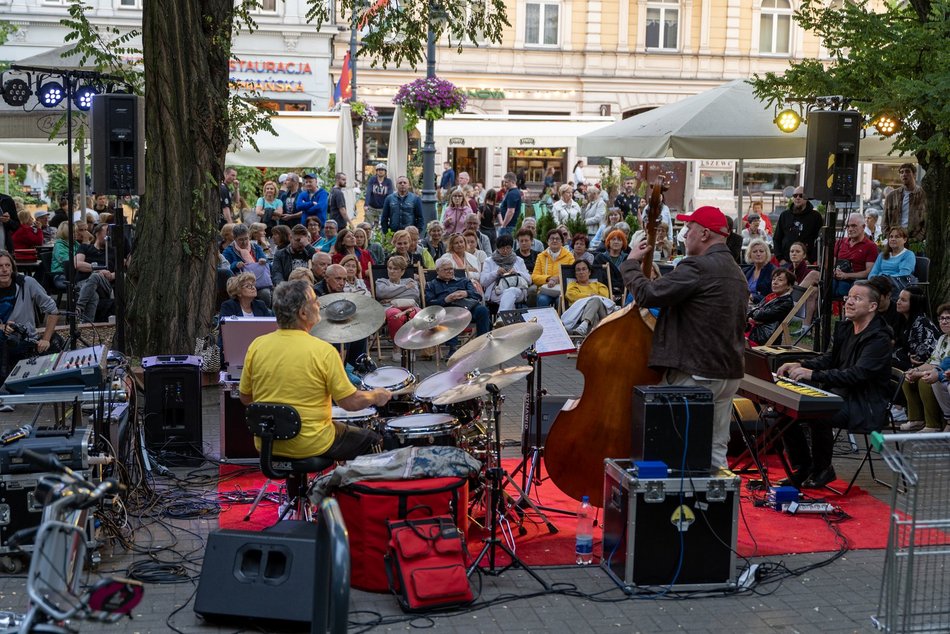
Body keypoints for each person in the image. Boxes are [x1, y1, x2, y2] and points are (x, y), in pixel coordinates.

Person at [622, 206, 748, 471]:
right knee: (715, 447)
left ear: (704, 234)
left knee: (676, 448)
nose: (685, 234)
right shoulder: (734, 269)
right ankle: (719, 508)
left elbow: (648, 294)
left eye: (689, 229)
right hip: (728, 374)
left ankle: (680, 509)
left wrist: (631, 264)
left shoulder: (698, 266)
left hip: (697, 372)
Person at [239, 280, 391, 461]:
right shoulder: (323, 351)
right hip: (312, 443)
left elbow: (246, 398)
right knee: (372, 439)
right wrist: (376, 395)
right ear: (303, 313)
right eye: (315, 301)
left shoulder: (257, 345)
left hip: (268, 441)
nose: (319, 305)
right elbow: (349, 403)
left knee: (337, 426)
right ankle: (345, 488)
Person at [777, 281, 893, 488]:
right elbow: (830, 359)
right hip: (838, 394)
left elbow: (857, 375)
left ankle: (823, 469)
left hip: (863, 402)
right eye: (849, 296)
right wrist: (801, 364)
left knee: (818, 412)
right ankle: (803, 466)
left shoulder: (879, 338)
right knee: (784, 409)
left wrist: (812, 374)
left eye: (857, 298)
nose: (849, 302)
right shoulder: (847, 327)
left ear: (872, 306)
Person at [0, 251, 59, 391]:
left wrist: (46, 339)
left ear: (12, 268)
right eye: (0, 266)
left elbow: (53, 310)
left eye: (7, 265)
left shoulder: (27, 283)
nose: (4, 270)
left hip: (24, 340)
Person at [900, 302, 950, 432]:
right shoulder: (943, 339)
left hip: (944, 375)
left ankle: (933, 425)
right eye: (941, 318)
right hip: (941, 373)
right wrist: (915, 370)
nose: (944, 322)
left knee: (926, 381)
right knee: (907, 375)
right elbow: (933, 362)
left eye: (948, 318)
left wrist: (923, 374)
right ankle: (916, 419)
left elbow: (942, 366)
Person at [425, 256, 490, 342]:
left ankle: (482, 343)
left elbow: (477, 295)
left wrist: (466, 293)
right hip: (447, 311)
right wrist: (446, 300)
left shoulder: (464, 281)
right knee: (450, 316)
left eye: (451, 268)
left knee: (482, 310)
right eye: (446, 269)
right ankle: (452, 349)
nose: (450, 271)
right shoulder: (431, 285)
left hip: (468, 309)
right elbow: (429, 304)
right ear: (437, 271)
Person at [374, 255, 420, 361]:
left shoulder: (409, 280)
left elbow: (414, 295)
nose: (392, 271)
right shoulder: (381, 281)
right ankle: (397, 347)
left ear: (402, 271)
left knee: (417, 315)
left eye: (395, 269)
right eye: (389, 268)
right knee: (395, 316)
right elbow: (381, 293)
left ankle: (410, 346)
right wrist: (405, 288)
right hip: (390, 308)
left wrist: (390, 298)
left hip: (410, 306)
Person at [831, 213, 879, 297]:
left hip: (854, 282)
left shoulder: (871, 246)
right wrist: (835, 271)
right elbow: (831, 263)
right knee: (818, 285)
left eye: (853, 226)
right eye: (847, 226)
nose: (850, 229)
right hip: (835, 277)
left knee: (842, 288)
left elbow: (868, 272)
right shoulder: (840, 242)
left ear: (863, 227)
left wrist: (846, 276)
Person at [892, 285, 939, 372]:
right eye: (899, 298)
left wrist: (906, 354)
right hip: (906, 360)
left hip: (926, 366)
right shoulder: (902, 320)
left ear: (914, 303)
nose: (898, 302)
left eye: (903, 300)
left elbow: (919, 358)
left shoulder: (921, 323)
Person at [562, 259, 614, 337]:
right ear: (575, 274)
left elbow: (604, 297)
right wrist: (590, 296)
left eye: (584, 269)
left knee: (596, 300)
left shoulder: (598, 285)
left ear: (589, 272)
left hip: (602, 313)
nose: (581, 272)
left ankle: (584, 325)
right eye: (578, 270)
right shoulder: (573, 285)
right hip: (580, 313)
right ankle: (594, 337)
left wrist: (588, 297)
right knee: (594, 313)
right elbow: (571, 295)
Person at [480, 234, 530, 312]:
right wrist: (496, 273)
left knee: (511, 291)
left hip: (517, 290)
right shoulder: (489, 261)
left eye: (508, 248)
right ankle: (505, 320)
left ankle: (501, 318)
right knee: (509, 300)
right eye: (502, 248)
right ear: (497, 248)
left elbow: (529, 280)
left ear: (512, 247)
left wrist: (517, 272)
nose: (505, 251)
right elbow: (483, 282)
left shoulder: (519, 260)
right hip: (496, 292)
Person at [772, 186, 823, 263]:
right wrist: (780, 259)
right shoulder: (785, 215)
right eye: (795, 195)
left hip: (806, 262)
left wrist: (811, 260)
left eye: (801, 195)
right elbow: (777, 238)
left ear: (807, 197)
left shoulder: (815, 216)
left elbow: (820, 241)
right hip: (786, 261)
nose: (798, 198)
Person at [746, 269, 796, 345]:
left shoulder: (786, 302)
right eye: (773, 279)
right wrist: (753, 316)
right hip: (754, 330)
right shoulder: (771, 296)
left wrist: (754, 316)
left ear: (789, 285)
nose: (775, 282)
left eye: (780, 280)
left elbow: (760, 315)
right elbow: (754, 311)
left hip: (762, 336)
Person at [883, 163, 926, 242]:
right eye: (901, 172)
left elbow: (927, 222)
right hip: (895, 240)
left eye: (907, 171)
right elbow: (884, 221)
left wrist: (918, 239)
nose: (904, 174)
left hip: (915, 241)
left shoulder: (923, 195)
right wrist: (889, 237)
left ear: (914, 175)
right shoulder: (891, 196)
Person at [531, 229, 574, 308]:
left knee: (560, 301)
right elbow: (534, 277)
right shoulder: (541, 256)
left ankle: (561, 320)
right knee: (542, 300)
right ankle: (543, 320)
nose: (554, 241)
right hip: (546, 290)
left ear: (562, 242)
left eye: (557, 239)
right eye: (552, 238)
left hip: (562, 290)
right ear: (547, 241)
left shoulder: (569, 256)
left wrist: (556, 279)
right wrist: (548, 279)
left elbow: (571, 275)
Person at [595, 229, 629, 302]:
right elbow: (596, 277)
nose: (616, 242)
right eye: (613, 239)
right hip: (605, 293)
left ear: (623, 243)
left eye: (619, 240)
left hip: (624, 293)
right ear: (608, 242)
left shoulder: (628, 259)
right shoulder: (600, 258)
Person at [743, 239, 776, 304]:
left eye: (761, 251)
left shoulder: (773, 271)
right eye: (755, 251)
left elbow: (773, 296)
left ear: (766, 254)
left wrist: (753, 298)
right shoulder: (746, 271)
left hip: (761, 307)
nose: (758, 254)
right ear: (750, 255)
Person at [497, 172, 522, 237]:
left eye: (506, 182)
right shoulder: (511, 192)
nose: (504, 184)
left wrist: (504, 225)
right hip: (508, 226)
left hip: (509, 227)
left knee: (504, 245)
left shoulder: (513, 193)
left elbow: (511, 211)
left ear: (512, 182)